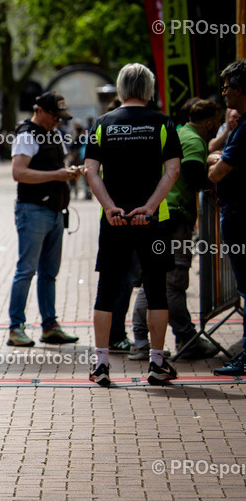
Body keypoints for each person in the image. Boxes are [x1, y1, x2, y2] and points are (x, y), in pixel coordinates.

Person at [84, 63, 182, 387]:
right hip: (154, 220)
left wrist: (110, 207)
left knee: (107, 290)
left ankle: (101, 365)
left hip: (113, 220)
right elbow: (173, 172)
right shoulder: (164, 123)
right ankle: (157, 363)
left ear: (121, 88)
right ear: (149, 89)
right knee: (156, 290)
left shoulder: (102, 124)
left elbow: (90, 172)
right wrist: (150, 207)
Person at [129, 99, 223, 360]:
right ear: (210, 122)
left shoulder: (180, 132)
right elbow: (195, 177)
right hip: (175, 218)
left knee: (153, 281)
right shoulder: (193, 141)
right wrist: (215, 179)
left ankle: (140, 341)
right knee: (175, 282)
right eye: (218, 120)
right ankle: (186, 338)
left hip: (160, 213)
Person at [6, 91, 81, 347]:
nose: (57, 122)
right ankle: (16, 327)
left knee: (49, 272)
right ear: (41, 111)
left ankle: (50, 325)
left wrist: (67, 174)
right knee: (26, 270)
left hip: (55, 211)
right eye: (54, 117)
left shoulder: (54, 134)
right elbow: (19, 173)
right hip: (33, 210)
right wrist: (58, 175)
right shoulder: (27, 134)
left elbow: (53, 168)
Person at [208, 60, 246, 375]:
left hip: (239, 214)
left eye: (227, 87)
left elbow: (218, 173)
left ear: (240, 88)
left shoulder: (244, 128)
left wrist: (214, 163)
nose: (223, 93)